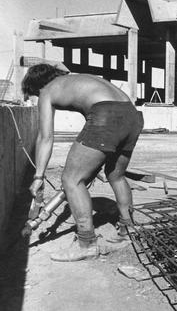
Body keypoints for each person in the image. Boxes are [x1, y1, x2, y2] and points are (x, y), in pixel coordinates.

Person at [22, 64, 144, 262]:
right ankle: (127, 230)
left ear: (36, 86)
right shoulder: (76, 79)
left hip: (107, 115)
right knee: (116, 174)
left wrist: (39, 176)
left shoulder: (46, 91)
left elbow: (45, 137)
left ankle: (86, 244)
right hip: (133, 115)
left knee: (72, 179)